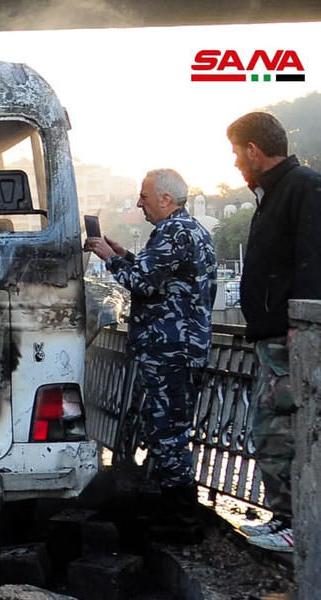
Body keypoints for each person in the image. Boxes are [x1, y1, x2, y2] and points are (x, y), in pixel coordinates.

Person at [85, 168, 217, 544]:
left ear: (165, 199)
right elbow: (154, 275)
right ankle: (173, 511)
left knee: (169, 434)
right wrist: (123, 254)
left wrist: (108, 257)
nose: (139, 202)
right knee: (166, 429)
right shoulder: (187, 231)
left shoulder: (174, 232)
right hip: (177, 350)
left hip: (171, 351)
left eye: (144, 196)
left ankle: (183, 520)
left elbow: (142, 283)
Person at [226, 111, 321, 553]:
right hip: (274, 337)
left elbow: (312, 263)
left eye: (235, 153)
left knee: (280, 430)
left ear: (253, 150)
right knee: (270, 429)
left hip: (290, 339)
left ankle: (296, 523)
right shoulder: (275, 192)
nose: (234, 163)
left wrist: (301, 330)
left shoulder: (302, 187)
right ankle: (285, 516)